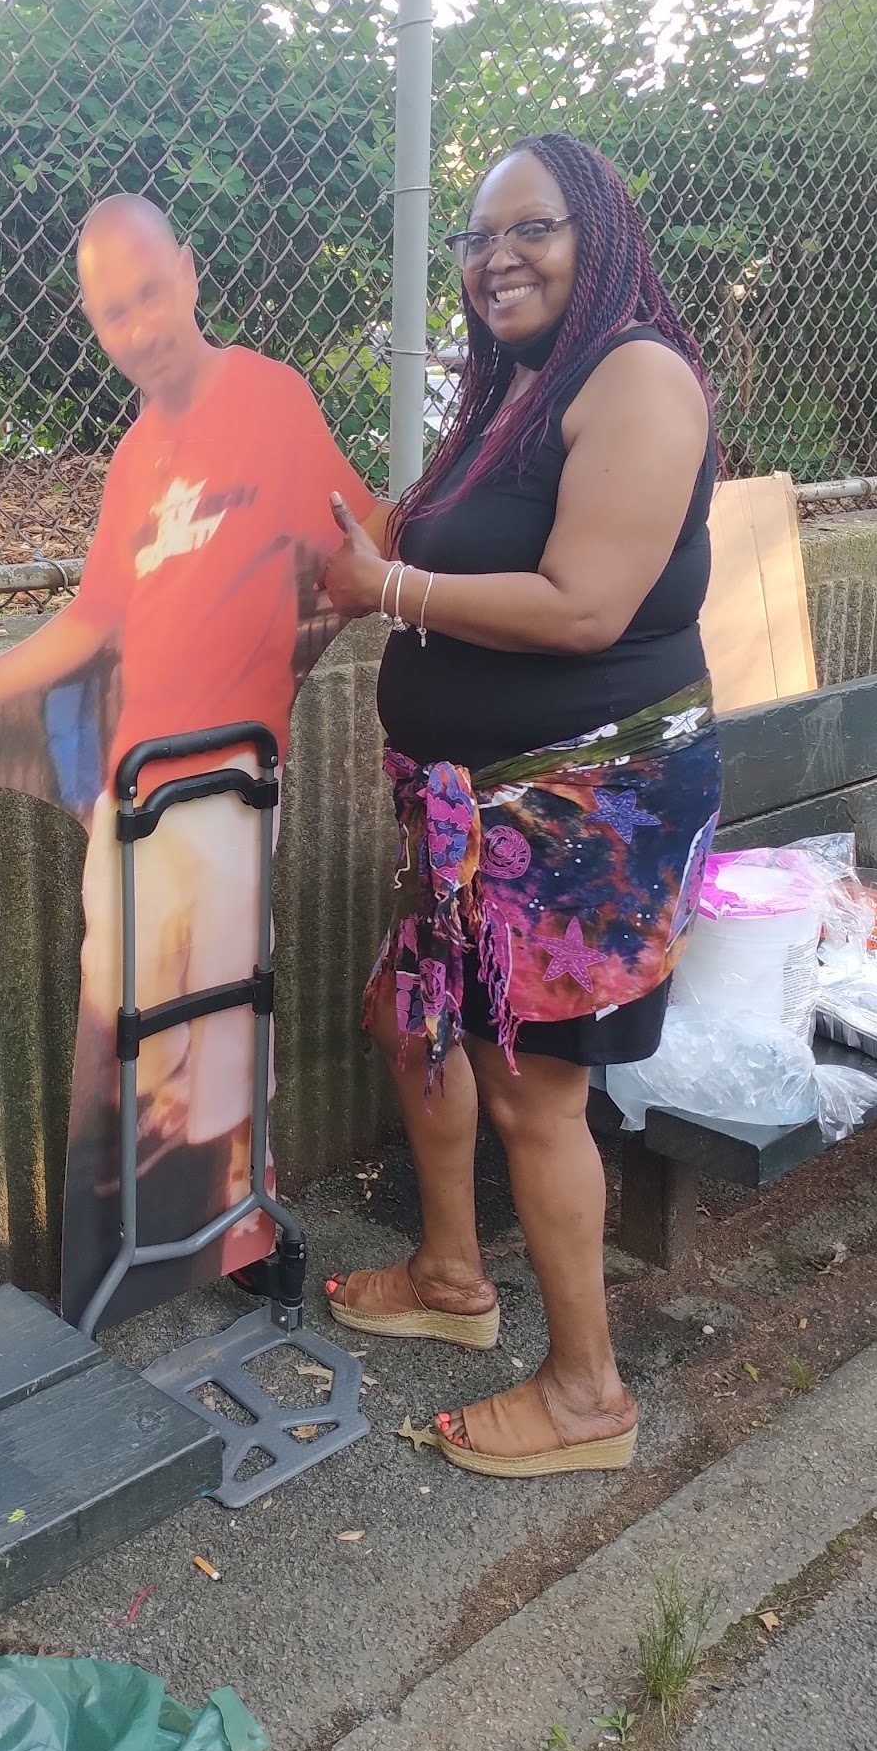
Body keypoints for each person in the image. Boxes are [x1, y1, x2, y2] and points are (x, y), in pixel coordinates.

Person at [0, 193, 379, 1324]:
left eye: (150, 292)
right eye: (111, 311)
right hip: (136, 791)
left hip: (231, 783)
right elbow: (91, 623)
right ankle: (139, 1250)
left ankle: (240, 1224)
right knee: (130, 1028)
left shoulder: (270, 396)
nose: (138, 324)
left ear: (190, 275)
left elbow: (360, 544)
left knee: (225, 1025)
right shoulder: (137, 456)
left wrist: (361, 600)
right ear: (94, 325)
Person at [321, 133, 722, 1478]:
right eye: (479, 238)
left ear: (598, 234)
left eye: (531, 229)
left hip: (587, 806)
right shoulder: (510, 391)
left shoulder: (639, 379)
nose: (498, 258)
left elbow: (585, 605)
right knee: (413, 1014)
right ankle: (449, 1275)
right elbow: (408, 534)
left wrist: (389, 592)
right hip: (461, 805)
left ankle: (589, 1395)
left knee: (533, 1092)